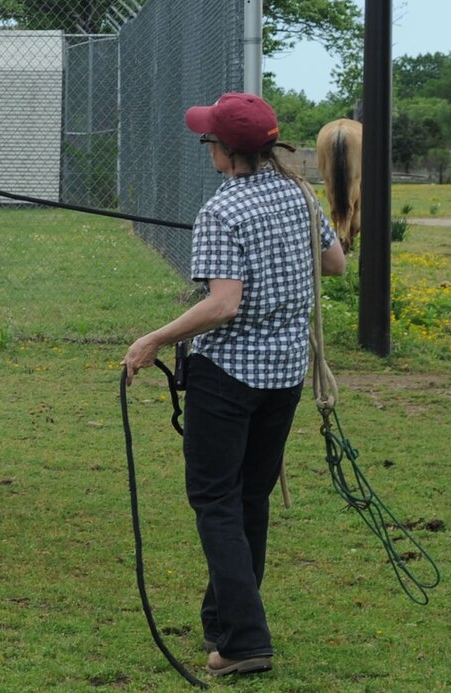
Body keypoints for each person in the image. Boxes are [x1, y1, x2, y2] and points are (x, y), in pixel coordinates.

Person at [121, 93, 346, 677]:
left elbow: (223, 305)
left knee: (215, 502)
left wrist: (152, 340)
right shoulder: (301, 196)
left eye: (210, 143)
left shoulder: (222, 211)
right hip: (284, 376)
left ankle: (245, 640)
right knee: (250, 499)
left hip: (229, 378)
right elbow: (336, 263)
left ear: (226, 152)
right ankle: (224, 626)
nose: (209, 151)